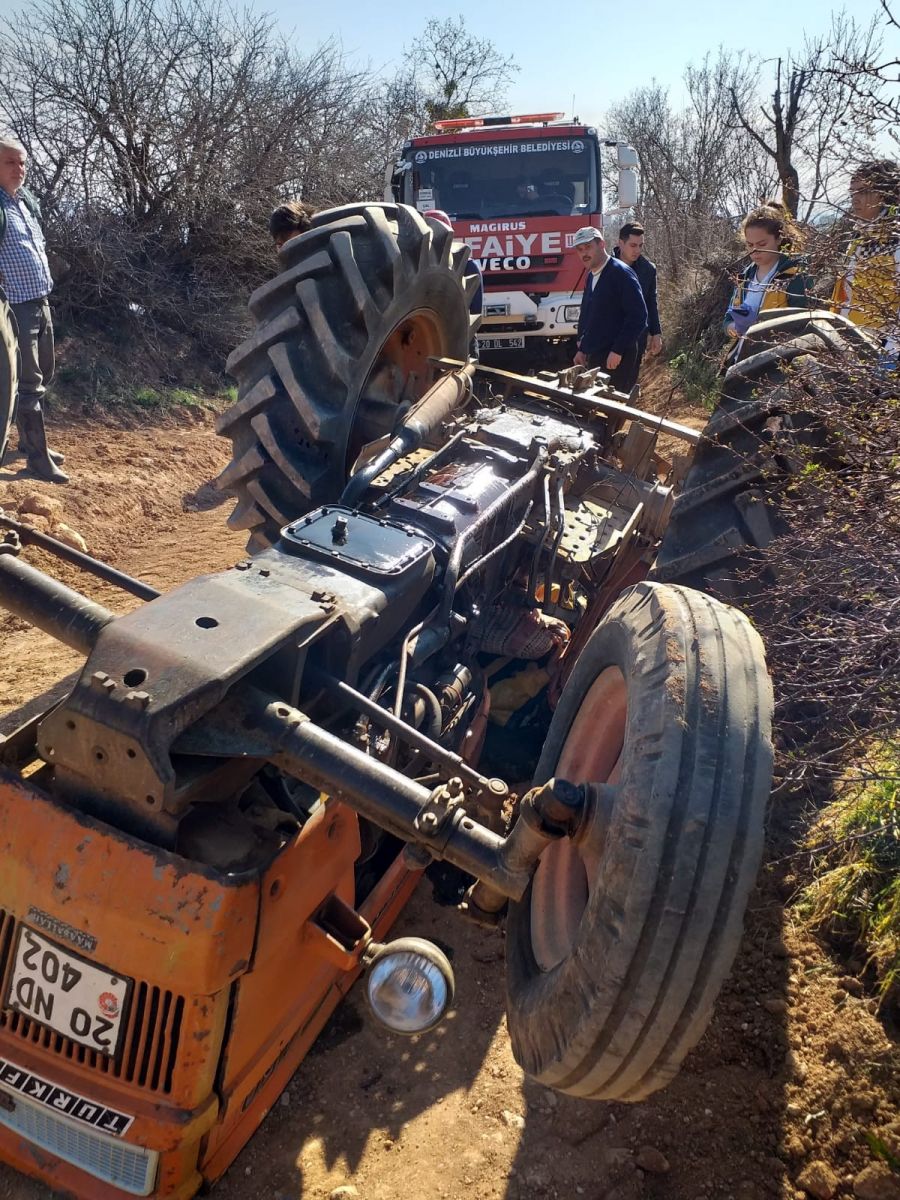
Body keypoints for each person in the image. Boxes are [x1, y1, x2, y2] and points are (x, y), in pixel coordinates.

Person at [0, 134, 67, 483]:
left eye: (23, 162)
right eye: (11, 162)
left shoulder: (24, 201)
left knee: (45, 371)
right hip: (15, 307)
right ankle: (38, 462)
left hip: (40, 299)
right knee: (29, 383)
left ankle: (29, 443)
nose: (19, 169)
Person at [831, 159, 900, 362]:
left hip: (884, 352)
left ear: (885, 192)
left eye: (862, 191)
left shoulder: (896, 240)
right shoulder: (857, 240)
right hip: (850, 348)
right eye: (852, 192)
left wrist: (892, 352)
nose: (855, 199)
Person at [571, 226, 647, 393]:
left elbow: (639, 316)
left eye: (588, 247)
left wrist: (617, 350)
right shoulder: (591, 275)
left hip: (618, 356)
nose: (584, 253)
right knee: (594, 404)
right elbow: (589, 314)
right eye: (580, 249)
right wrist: (582, 349)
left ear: (601, 245)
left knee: (613, 409)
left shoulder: (621, 273)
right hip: (597, 353)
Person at [725, 203, 812, 340]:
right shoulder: (745, 277)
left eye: (762, 244)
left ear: (779, 239)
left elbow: (803, 324)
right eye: (750, 245)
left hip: (777, 356)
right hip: (744, 357)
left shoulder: (795, 274)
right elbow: (728, 319)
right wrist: (733, 328)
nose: (755, 251)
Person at [423, 209, 483, 358]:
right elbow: (476, 308)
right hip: (460, 337)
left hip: (424, 337)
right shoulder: (468, 264)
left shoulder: (414, 265)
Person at [613, 222, 663, 377]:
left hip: (636, 336)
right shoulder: (606, 266)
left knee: (629, 382)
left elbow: (651, 302)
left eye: (641, 246)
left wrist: (656, 333)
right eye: (633, 245)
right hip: (608, 335)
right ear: (620, 243)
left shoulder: (648, 269)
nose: (637, 250)